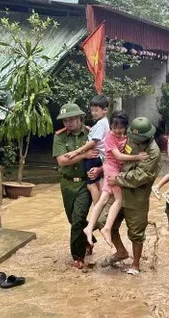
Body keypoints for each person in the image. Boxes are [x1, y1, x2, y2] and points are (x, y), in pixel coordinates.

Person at [83, 111, 147, 247]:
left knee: (103, 199)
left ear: (125, 127)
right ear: (111, 126)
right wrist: (137, 157)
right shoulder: (110, 137)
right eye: (115, 127)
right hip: (112, 170)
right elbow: (118, 156)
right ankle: (107, 228)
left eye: (121, 127)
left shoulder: (126, 137)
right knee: (119, 200)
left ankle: (89, 227)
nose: (117, 130)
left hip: (109, 169)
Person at [108, 117, 161, 275]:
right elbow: (117, 157)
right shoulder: (130, 140)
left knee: (136, 232)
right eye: (133, 138)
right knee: (105, 223)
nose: (134, 142)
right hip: (119, 192)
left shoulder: (153, 152)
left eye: (138, 140)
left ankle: (136, 264)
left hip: (137, 196)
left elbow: (141, 175)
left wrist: (117, 178)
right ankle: (121, 251)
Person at [53, 103, 103, 269]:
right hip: (67, 184)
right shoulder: (59, 136)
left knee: (77, 219)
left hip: (85, 183)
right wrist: (84, 155)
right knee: (72, 219)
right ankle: (89, 239)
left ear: (80, 118)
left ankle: (78, 257)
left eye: (71, 119)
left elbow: (101, 155)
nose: (68, 123)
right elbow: (61, 160)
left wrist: (99, 169)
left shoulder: (91, 133)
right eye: (65, 120)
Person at [63, 95, 110, 205]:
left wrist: (76, 151)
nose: (93, 113)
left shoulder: (100, 124)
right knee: (97, 182)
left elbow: (93, 142)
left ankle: (97, 209)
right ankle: (100, 209)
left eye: (96, 111)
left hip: (94, 156)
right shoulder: (104, 122)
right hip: (100, 157)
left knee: (91, 185)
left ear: (105, 110)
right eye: (92, 110)